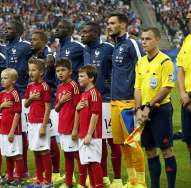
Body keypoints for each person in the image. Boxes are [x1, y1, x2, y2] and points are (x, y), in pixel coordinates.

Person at [80, 22, 122, 187]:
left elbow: (118, 69)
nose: (83, 34)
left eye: (86, 31)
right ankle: (102, 176)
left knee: (112, 139)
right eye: (82, 31)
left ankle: (118, 178)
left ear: (96, 33)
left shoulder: (108, 48)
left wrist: (111, 85)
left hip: (106, 100)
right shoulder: (85, 50)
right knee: (99, 140)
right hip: (90, 100)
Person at [107, 13, 146, 187]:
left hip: (129, 102)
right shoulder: (116, 46)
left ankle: (141, 183)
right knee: (123, 145)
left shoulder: (132, 43)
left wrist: (141, 105)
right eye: (108, 23)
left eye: (112, 23)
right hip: (115, 102)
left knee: (133, 144)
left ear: (123, 25)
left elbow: (144, 69)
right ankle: (132, 181)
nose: (108, 26)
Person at [135, 27, 176, 188]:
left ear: (157, 40)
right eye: (143, 39)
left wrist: (148, 107)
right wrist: (138, 110)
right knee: (150, 151)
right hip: (143, 112)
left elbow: (166, 87)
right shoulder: (140, 62)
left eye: (148, 39)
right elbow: (137, 88)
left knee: (166, 150)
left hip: (160, 110)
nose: (144, 42)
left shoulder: (165, 61)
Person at [31, 30, 62, 183]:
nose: (32, 42)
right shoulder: (35, 55)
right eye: (32, 39)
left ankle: (55, 171)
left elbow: (51, 62)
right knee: (42, 140)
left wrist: (50, 60)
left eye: (36, 39)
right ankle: (42, 173)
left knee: (51, 138)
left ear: (43, 41)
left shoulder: (49, 53)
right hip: (38, 99)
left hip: (49, 99)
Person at [3, 19, 32, 176]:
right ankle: (16, 167)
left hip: (22, 94)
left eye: (9, 29)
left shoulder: (26, 46)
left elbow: (42, 54)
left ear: (19, 31)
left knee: (22, 132)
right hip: (9, 94)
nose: (5, 31)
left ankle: (23, 169)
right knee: (12, 131)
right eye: (5, 28)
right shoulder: (6, 47)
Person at [25, 58, 53, 187]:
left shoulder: (45, 87)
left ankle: (47, 180)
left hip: (41, 123)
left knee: (44, 151)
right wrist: (31, 98)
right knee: (36, 150)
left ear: (41, 72)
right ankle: (39, 178)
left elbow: (48, 107)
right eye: (29, 70)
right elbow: (26, 104)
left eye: (33, 70)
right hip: (31, 122)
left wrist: (43, 125)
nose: (30, 73)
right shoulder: (30, 86)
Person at [74, 65, 103, 188]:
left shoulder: (94, 93)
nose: (78, 78)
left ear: (91, 78)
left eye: (81, 76)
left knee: (94, 163)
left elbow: (95, 115)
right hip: (83, 134)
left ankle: (99, 186)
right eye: (78, 76)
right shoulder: (84, 94)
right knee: (88, 163)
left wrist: (89, 134)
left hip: (92, 135)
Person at [0, 68, 25, 187]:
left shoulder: (15, 94)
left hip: (13, 131)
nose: (2, 80)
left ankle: (19, 178)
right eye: (1, 78)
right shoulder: (2, 93)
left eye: (5, 78)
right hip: (3, 129)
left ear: (13, 80)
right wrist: (2, 105)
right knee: (7, 154)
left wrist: (12, 131)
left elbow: (18, 113)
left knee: (16, 154)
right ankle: (9, 177)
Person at [55, 59, 81, 188]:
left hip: (71, 127)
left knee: (78, 156)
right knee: (67, 156)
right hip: (62, 126)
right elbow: (57, 108)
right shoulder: (59, 87)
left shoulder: (74, 86)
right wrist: (61, 101)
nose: (60, 73)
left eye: (63, 70)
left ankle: (83, 182)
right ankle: (69, 182)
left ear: (70, 71)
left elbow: (78, 108)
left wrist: (76, 128)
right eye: (58, 71)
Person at [177, 4, 191, 174]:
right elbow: (180, 68)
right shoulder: (188, 40)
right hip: (186, 100)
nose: (188, 16)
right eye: (188, 12)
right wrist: (182, 94)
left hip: (190, 97)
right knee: (189, 142)